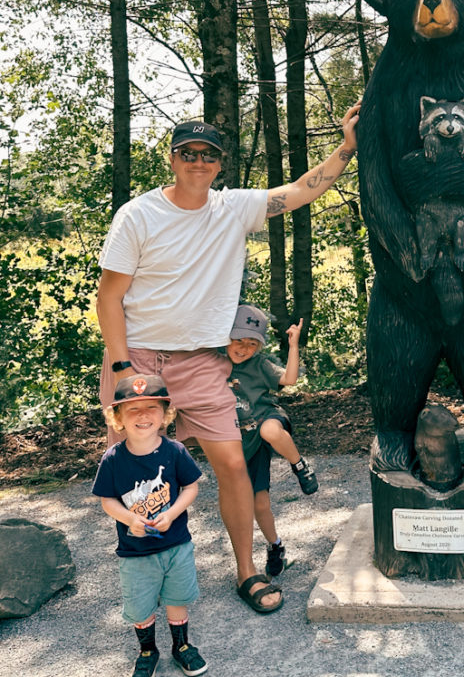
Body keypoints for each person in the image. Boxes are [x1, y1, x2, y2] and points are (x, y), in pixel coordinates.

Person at [96, 106, 359, 615]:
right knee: (138, 474)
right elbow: (109, 298)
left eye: (208, 154)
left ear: (220, 164)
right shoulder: (138, 215)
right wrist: (125, 368)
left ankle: (246, 570)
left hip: (201, 361)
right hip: (140, 358)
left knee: (234, 463)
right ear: (172, 159)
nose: (198, 161)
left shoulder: (233, 208)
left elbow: (302, 189)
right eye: (188, 153)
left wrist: (347, 146)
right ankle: (145, 572)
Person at [92, 374, 207, 677]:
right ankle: (147, 651)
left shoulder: (174, 451)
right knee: (140, 604)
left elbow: (191, 487)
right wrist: (129, 518)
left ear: (165, 413)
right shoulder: (113, 459)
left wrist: (171, 513)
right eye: (132, 410)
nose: (143, 415)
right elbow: (107, 500)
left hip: (176, 545)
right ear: (117, 418)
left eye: (151, 407)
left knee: (177, 597)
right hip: (135, 552)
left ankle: (181, 645)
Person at [225, 304, 314, 579]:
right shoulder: (213, 360)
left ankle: (300, 466)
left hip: (266, 419)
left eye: (252, 344)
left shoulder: (260, 365)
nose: (244, 348)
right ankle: (275, 546)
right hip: (241, 438)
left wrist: (293, 344)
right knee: (258, 504)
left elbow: (289, 379)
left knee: (270, 432)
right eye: (238, 340)